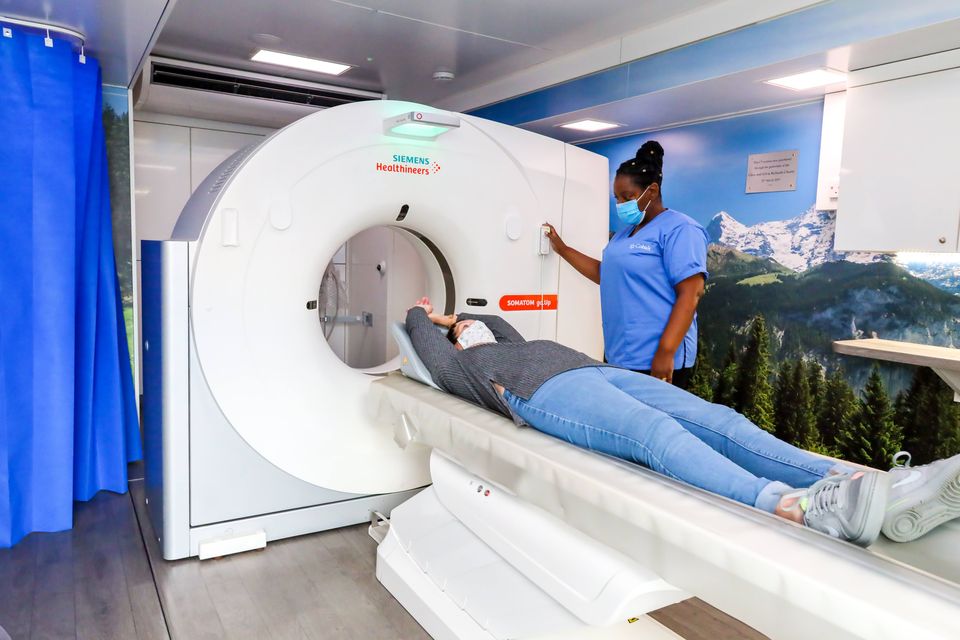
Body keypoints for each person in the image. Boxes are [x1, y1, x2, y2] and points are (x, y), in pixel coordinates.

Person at [405, 298, 960, 547]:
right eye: (459, 335)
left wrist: (460, 318)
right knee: (654, 434)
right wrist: (427, 319)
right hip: (543, 393)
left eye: (466, 331)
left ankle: (855, 483)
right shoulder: (462, 367)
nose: (469, 334)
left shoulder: (504, 339)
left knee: (719, 420)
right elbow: (424, 340)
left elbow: (497, 322)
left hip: (598, 370)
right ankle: (797, 507)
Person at [544, 141, 708, 389]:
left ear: (651, 191)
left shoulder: (681, 229)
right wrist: (562, 248)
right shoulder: (625, 234)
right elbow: (605, 274)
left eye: (627, 197)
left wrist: (665, 353)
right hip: (620, 356)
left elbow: (691, 293)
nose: (620, 204)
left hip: (658, 361)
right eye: (617, 198)